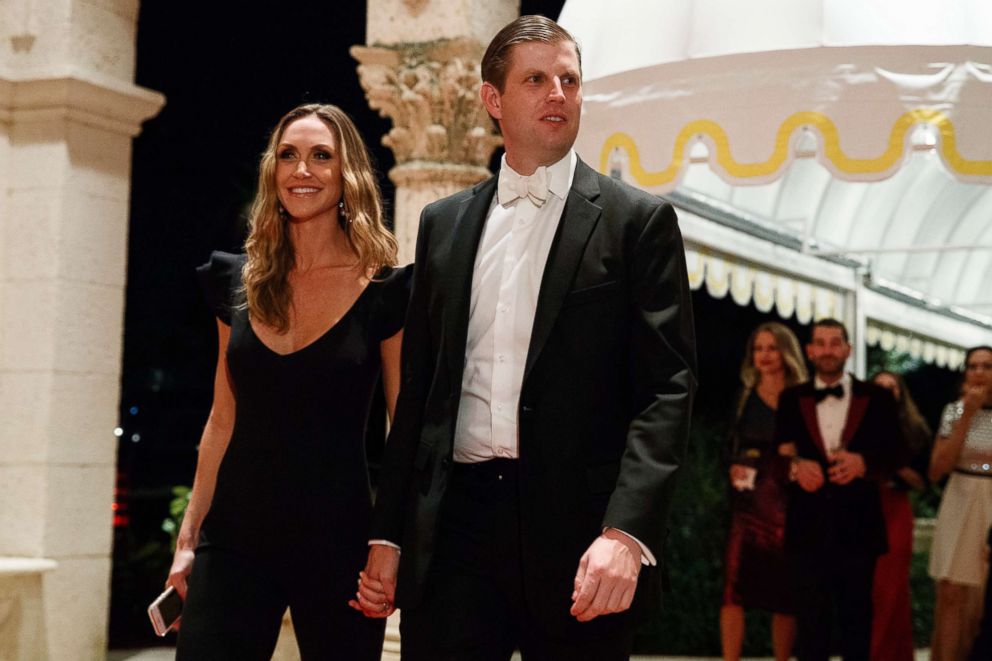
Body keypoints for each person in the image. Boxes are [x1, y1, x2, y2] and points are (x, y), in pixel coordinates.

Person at [351, 15, 697, 660]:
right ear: (492, 99)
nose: (558, 94)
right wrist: (390, 534)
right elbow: (420, 392)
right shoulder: (442, 225)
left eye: (569, 79)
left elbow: (668, 391)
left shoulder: (637, 223)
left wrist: (625, 533)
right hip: (455, 531)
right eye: (536, 79)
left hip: (581, 538)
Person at [166, 103, 410, 660]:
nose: (303, 170)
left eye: (321, 156)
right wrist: (188, 542)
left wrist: (389, 543)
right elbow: (221, 419)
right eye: (289, 156)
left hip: (340, 544)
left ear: (346, 175)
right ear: (272, 173)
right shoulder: (237, 280)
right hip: (233, 541)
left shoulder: (385, 292)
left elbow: (405, 433)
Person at [773, 318, 903, 661]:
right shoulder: (791, 398)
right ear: (810, 350)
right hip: (807, 526)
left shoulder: (877, 398)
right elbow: (776, 457)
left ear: (847, 349)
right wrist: (795, 467)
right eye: (821, 343)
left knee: (857, 621)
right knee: (810, 623)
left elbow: (898, 452)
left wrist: (864, 463)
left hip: (860, 527)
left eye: (835, 343)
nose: (828, 350)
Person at [721, 322, 807, 661]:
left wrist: (798, 454)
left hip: (789, 502)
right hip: (748, 500)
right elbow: (728, 444)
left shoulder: (803, 395)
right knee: (734, 585)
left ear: (786, 352)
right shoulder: (744, 394)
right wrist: (732, 466)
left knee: (785, 592)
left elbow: (819, 445)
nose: (765, 356)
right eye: (758, 348)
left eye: (772, 348)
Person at [928, 345, 992, 661]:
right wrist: (967, 414)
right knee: (951, 592)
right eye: (973, 366)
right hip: (960, 496)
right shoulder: (953, 411)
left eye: (987, 366)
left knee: (982, 598)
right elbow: (937, 469)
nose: (978, 372)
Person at [869, 370, 931, 661]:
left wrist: (892, 460)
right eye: (878, 388)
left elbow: (923, 481)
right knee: (867, 589)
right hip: (864, 511)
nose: (885, 393)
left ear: (900, 393)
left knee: (891, 586)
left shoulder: (914, 429)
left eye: (891, 388)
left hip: (895, 508)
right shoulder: (857, 429)